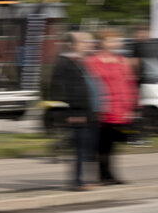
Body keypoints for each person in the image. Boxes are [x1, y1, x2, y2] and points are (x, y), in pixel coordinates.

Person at [84, 28, 136, 185]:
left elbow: (129, 83)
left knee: (111, 144)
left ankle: (108, 174)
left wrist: (131, 106)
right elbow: (90, 84)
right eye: (112, 40)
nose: (116, 43)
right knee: (102, 142)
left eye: (118, 40)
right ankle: (103, 175)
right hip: (102, 107)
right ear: (103, 42)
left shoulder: (122, 61)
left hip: (119, 107)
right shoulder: (92, 61)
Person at [50, 30, 97, 190]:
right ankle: (77, 181)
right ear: (72, 45)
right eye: (82, 42)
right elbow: (59, 91)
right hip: (76, 113)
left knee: (86, 147)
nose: (85, 44)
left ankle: (84, 179)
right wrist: (70, 113)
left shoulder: (77, 61)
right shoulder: (63, 63)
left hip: (86, 111)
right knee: (80, 148)